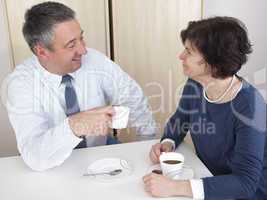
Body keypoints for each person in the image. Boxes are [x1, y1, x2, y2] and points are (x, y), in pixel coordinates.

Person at [4, 2, 157, 171]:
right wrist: (75, 125)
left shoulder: (94, 60)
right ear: (42, 52)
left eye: (81, 38)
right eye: (71, 45)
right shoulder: (20, 85)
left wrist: (146, 142)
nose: (83, 50)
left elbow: (132, 97)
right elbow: (35, 155)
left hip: (99, 151)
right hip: (53, 166)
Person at [143, 16, 267, 200]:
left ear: (213, 62)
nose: (181, 56)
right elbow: (180, 120)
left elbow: (245, 183)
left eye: (189, 52)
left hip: (243, 193)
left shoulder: (250, 105)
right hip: (209, 178)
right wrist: (167, 143)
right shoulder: (196, 83)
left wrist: (176, 187)